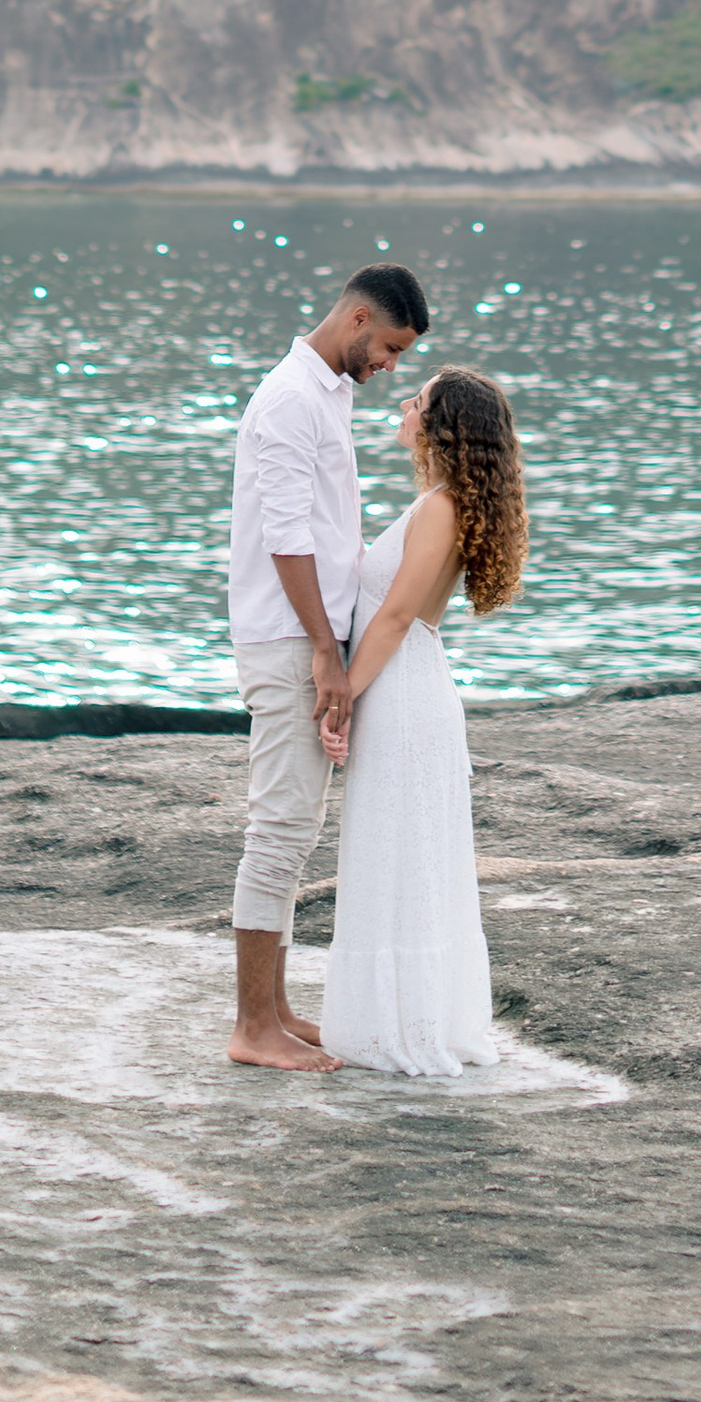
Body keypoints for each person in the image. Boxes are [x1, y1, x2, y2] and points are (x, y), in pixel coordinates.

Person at [226, 260, 429, 1070]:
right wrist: (323, 649)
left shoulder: (328, 394)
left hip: (309, 631)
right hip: (285, 636)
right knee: (278, 826)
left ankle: (274, 1009)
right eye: (388, 345)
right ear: (356, 321)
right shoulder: (289, 399)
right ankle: (251, 1028)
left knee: (296, 825)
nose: (391, 365)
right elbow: (286, 537)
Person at [319, 364, 527, 1077]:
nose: (404, 404)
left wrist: (342, 691)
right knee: (398, 854)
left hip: (403, 691)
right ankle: (394, 1014)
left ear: (442, 425)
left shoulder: (440, 506)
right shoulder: (439, 501)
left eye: (418, 399)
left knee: (399, 855)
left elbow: (397, 615)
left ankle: (400, 1025)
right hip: (407, 686)